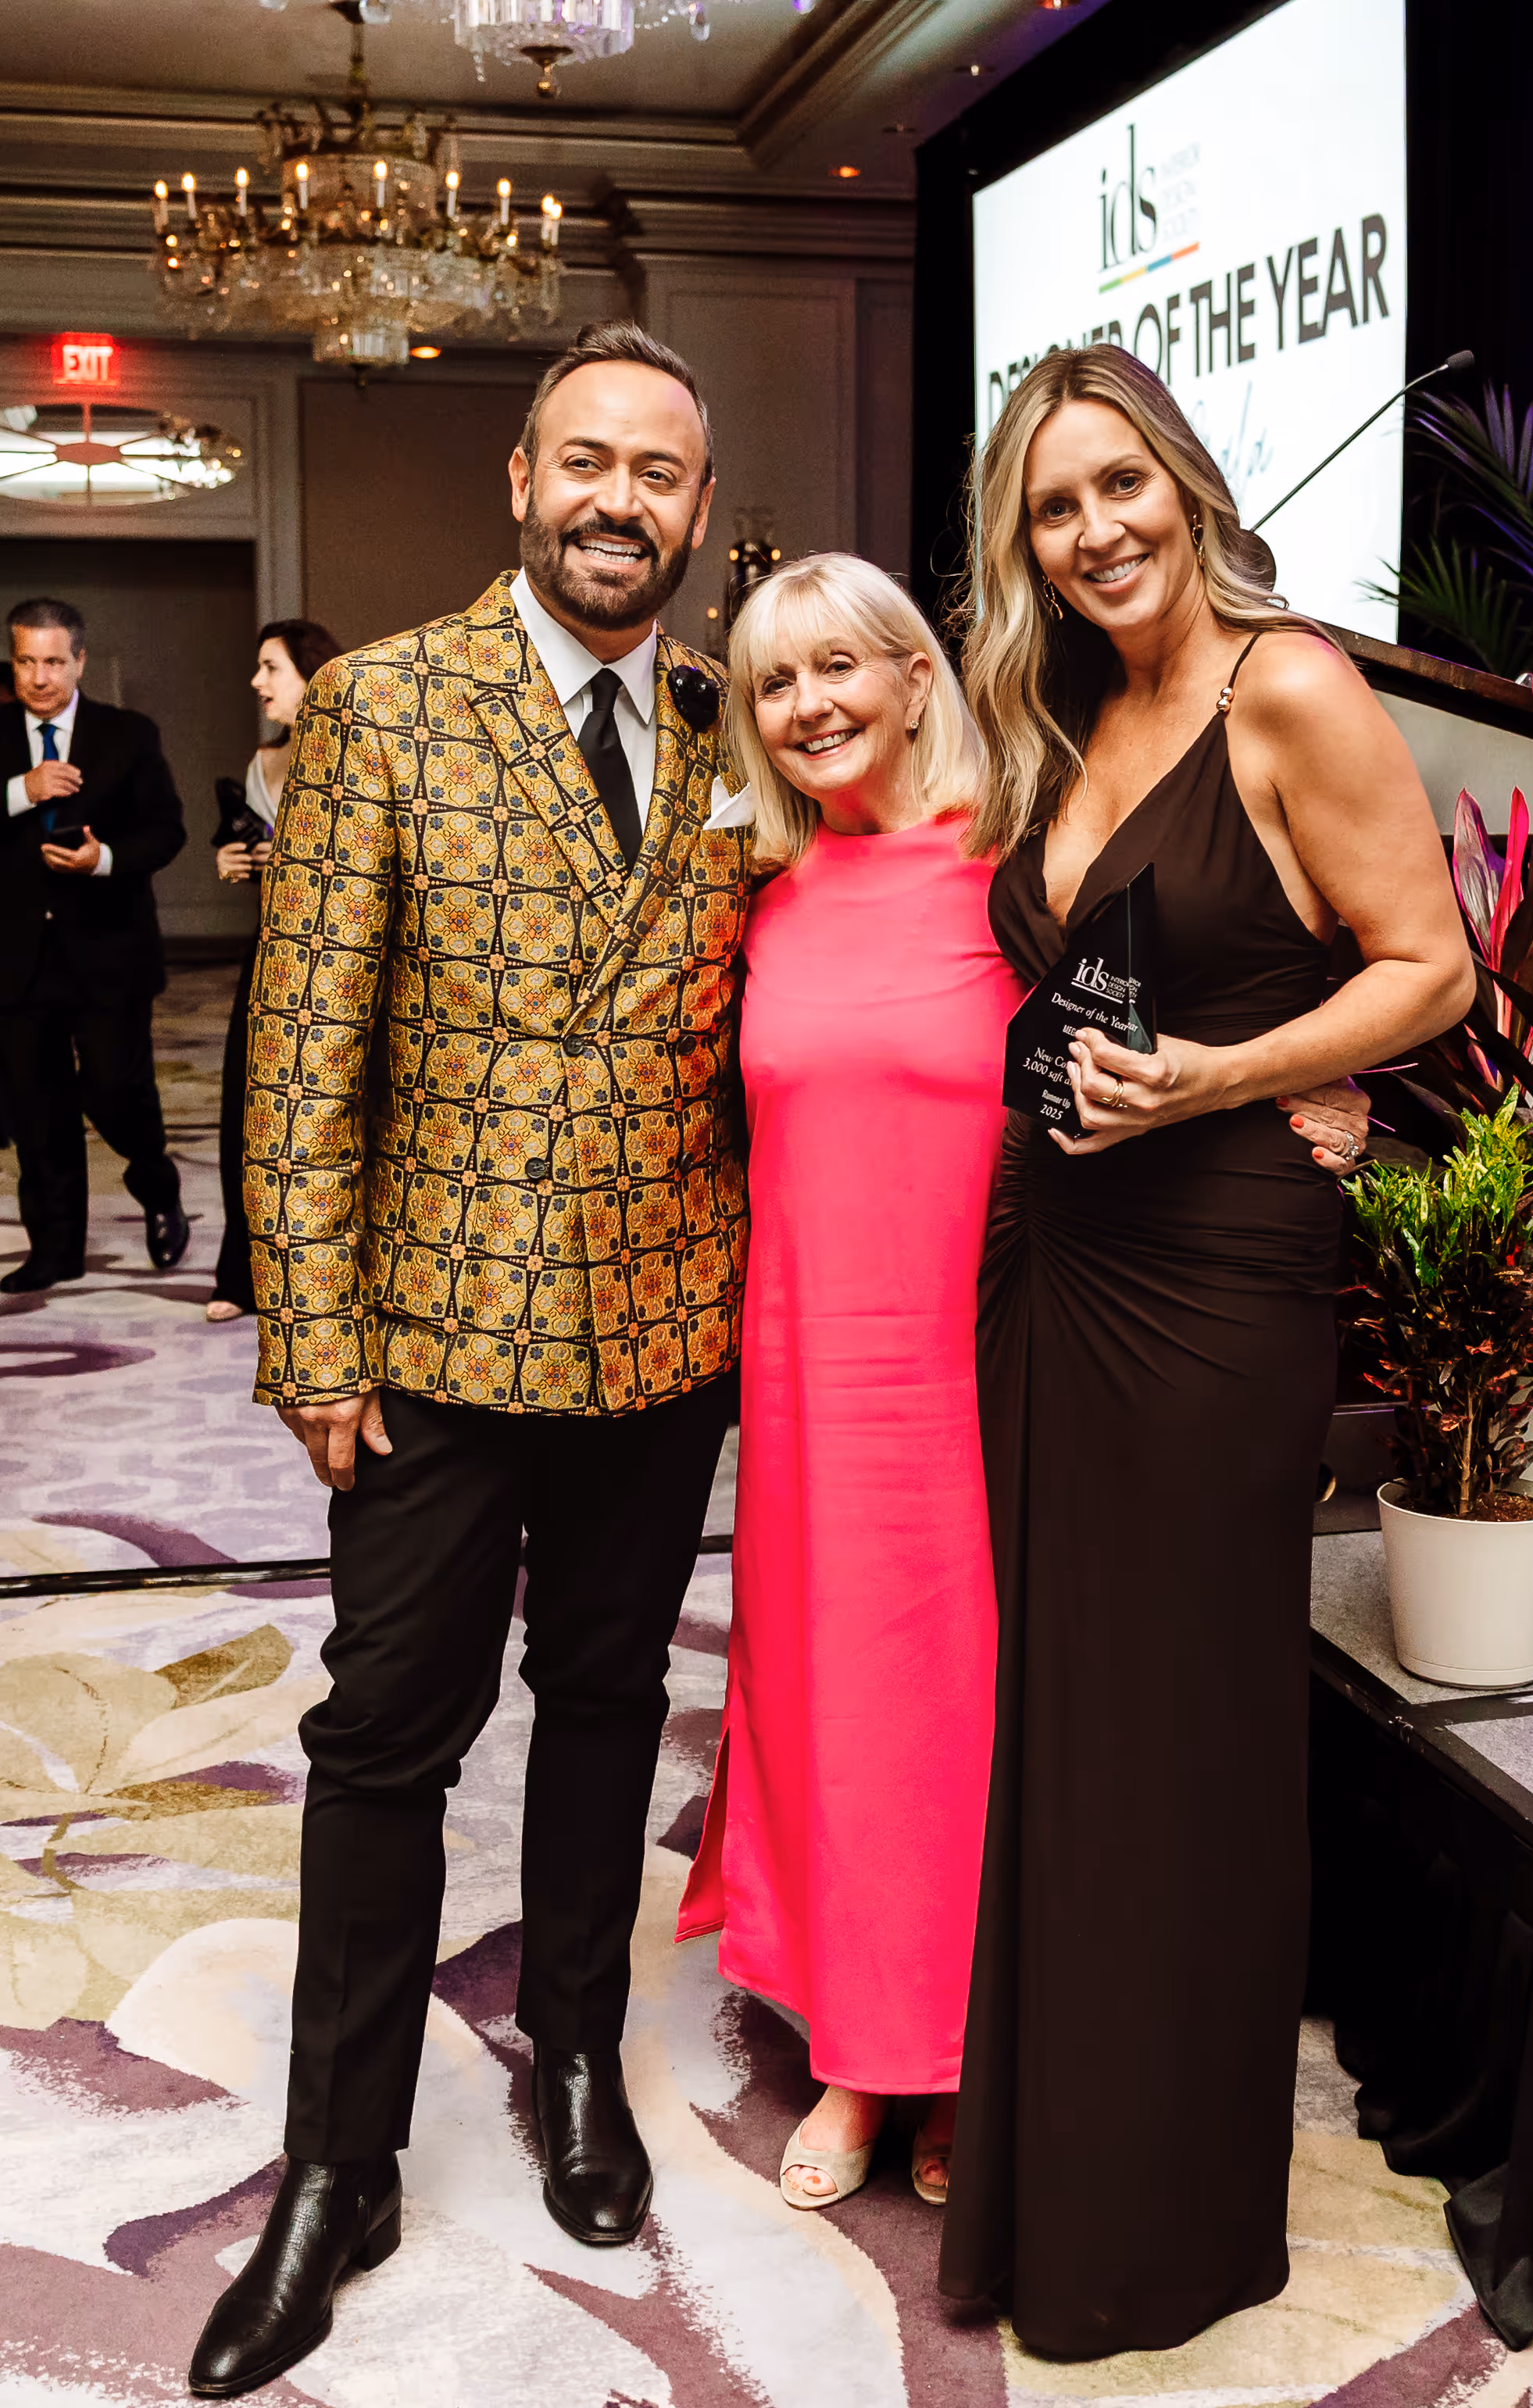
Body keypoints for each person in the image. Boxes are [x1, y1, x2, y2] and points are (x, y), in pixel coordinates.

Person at [188, 321, 756, 2403]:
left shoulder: (730, 728)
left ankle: (580, 2059)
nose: (619, 501)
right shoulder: (381, 705)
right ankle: (334, 2171)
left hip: (654, 1343)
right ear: (519, 479)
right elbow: (301, 1049)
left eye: (658, 475)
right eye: (585, 461)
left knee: (609, 1710)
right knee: (383, 1741)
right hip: (421, 1349)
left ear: (695, 510)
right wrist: (314, 1351)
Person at [675, 552, 1372, 2217]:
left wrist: (1311, 1092)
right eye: (775, 684)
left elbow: (1210, 991)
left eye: (840, 665)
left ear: (920, 674)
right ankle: (860, 2047)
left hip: (991, 1357)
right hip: (805, 1378)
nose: (808, 706)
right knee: (832, 1707)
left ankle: (969, 2050)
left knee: (976, 1714)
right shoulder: (756, 899)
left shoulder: (1022, 876)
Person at [937, 345, 1474, 2359]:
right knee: (1070, 1726)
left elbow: (1428, 965)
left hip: (1217, 1268)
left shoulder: (1288, 683)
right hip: (1055, 1255)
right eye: (1050, 510)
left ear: (1182, 474)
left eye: (1115, 487)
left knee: (1186, 1735)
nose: (1092, 534)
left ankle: (1160, 2222)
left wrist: (1238, 1078)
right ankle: (1049, 2167)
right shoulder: (1066, 706)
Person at [0, 596, 190, 1296]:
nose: (40, 676)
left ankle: (157, 1181)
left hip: (110, 951)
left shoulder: (127, 734)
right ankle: (55, 1250)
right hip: (17, 958)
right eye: (27, 660)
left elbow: (166, 832)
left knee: (117, 1088)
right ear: (13, 659)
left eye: (54, 661)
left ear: (79, 660)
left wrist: (103, 858)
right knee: (35, 1108)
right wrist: (20, 790)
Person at [206, 619, 343, 1323]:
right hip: (270, 954)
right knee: (244, 1110)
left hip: (344, 961)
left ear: (313, 673)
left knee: (323, 1125)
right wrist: (232, 863)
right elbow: (249, 854)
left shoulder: (357, 758)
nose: (257, 682)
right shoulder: (263, 764)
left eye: (271, 667)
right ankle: (239, 1271)